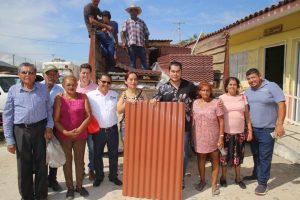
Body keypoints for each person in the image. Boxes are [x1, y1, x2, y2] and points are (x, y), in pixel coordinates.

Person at [3, 62, 53, 200]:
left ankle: (41, 195)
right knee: (23, 165)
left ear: (35, 75)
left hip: (40, 129)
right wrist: (10, 140)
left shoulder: (43, 89)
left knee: (42, 164)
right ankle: (27, 196)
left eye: (31, 72)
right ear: (19, 74)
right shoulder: (13, 90)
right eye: (24, 72)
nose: (27, 75)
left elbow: (49, 110)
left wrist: (49, 126)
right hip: (21, 131)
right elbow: (7, 115)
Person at [151, 61, 197, 189]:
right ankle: (169, 177)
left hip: (185, 127)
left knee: (183, 153)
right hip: (167, 127)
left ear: (181, 72)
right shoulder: (162, 88)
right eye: (173, 71)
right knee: (168, 153)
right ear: (169, 72)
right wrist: (154, 100)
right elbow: (155, 101)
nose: (175, 74)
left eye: (178, 71)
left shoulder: (190, 86)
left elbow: (200, 100)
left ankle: (180, 179)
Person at [243, 68, 286, 195]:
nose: (251, 80)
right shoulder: (248, 91)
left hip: (268, 129)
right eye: (249, 79)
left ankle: (263, 183)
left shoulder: (271, 86)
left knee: (265, 156)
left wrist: (280, 125)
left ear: (260, 76)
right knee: (256, 154)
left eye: (253, 77)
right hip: (253, 130)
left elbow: (282, 104)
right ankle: (256, 174)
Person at [53, 76, 92, 199]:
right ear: (63, 85)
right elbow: (56, 120)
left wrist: (80, 129)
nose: (71, 87)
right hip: (64, 136)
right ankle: (70, 187)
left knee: (79, 161)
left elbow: (88, 115)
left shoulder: (83, 97)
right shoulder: (59, 99)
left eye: (74, 84)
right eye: (68, 84)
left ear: (77, 84)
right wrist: (65, 132)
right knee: (67, 162)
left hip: (81, 135)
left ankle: (79, 186)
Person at [87, 74, 123, 187]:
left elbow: (121, 107)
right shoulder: (90, 96)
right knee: (97, 155)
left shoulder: (115, 95)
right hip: (98, 132)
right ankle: (99, 176)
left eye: (108, 82)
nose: (106, 84)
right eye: (103, 82)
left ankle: (113, 176)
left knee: (113, 155)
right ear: (98, 81)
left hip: (112, 130)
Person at [218, 77, 253, 189]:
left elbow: (247, 116)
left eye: (234, 84)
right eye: (230, 84)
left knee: (238, 156)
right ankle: (223, 178)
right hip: (225, 134)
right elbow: (218, 116)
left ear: (237, 86)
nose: (232, 86)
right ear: (226, 86)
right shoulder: (221, 98)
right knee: (224, 157)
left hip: (240, 134)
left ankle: (238, 179)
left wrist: (250, 131)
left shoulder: (243, 97)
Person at [192, 81, 224, 196]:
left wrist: (221, 137)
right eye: (203, 90)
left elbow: (221, 120)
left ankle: (214, 184)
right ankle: (202, 181)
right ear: (199, 91)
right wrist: (192, 136)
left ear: (211, 91)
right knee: (201, 159)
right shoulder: (195, 103)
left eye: (207, 90)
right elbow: (193, 121)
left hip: (213, 136)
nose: (205, 92)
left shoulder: (216, 103)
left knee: (215, 159)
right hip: (199, 136)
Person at [42, 65, 64, 192]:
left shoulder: (60, 90)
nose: (51, 76)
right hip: (39, 126)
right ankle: (42, 180)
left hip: (55, 126)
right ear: (44, 75)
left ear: (57, 76)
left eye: (54, 74)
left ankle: (52, 180)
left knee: (54, 153)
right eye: (48, 74)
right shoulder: (37, 86)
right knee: (41, 155)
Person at [76, 63, 98, 181]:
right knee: (79, 149)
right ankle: (81, 169)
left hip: (89, 123)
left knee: (92, 148)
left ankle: (91, 169)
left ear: (91, 74)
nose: (85, 75)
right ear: (80, 73)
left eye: (87, 73)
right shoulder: (74, 86)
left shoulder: (95, 87)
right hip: (76, 123)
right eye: (83, 73)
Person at [83, 0, 115, 72]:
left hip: (99, 31)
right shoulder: (89, 7)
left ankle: (108, 65)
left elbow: (102, 19)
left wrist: (105, 25)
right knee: (111, 43)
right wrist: (106, 26)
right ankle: (111, 66)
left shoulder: (97, 9)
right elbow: (91, 21)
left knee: (106, 50)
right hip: (94, 31)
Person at [117, 72, 148, 140]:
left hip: (141, 125)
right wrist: (127, 103)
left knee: (140, 146)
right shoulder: (123, 94)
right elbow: (119, 110)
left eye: (135, 79)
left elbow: (148, 108)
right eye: (131, 79)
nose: (133, 81)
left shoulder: (142, 93)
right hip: (126, 126)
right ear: (125, 81)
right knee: (128, 148)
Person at [121, 4, 150, 69]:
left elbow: (146, 33)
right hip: (131, 45)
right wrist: (123, 42)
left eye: (135, 11)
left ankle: (145, 77)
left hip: (141, 45)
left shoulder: (142, 22)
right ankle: (133, 77)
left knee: (144, 62)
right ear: (130, 12)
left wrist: (147, 43)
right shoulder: (127, 21)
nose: (133, 12)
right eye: (131, 11)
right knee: (132, 62)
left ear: (137, 12)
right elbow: (123, 32)